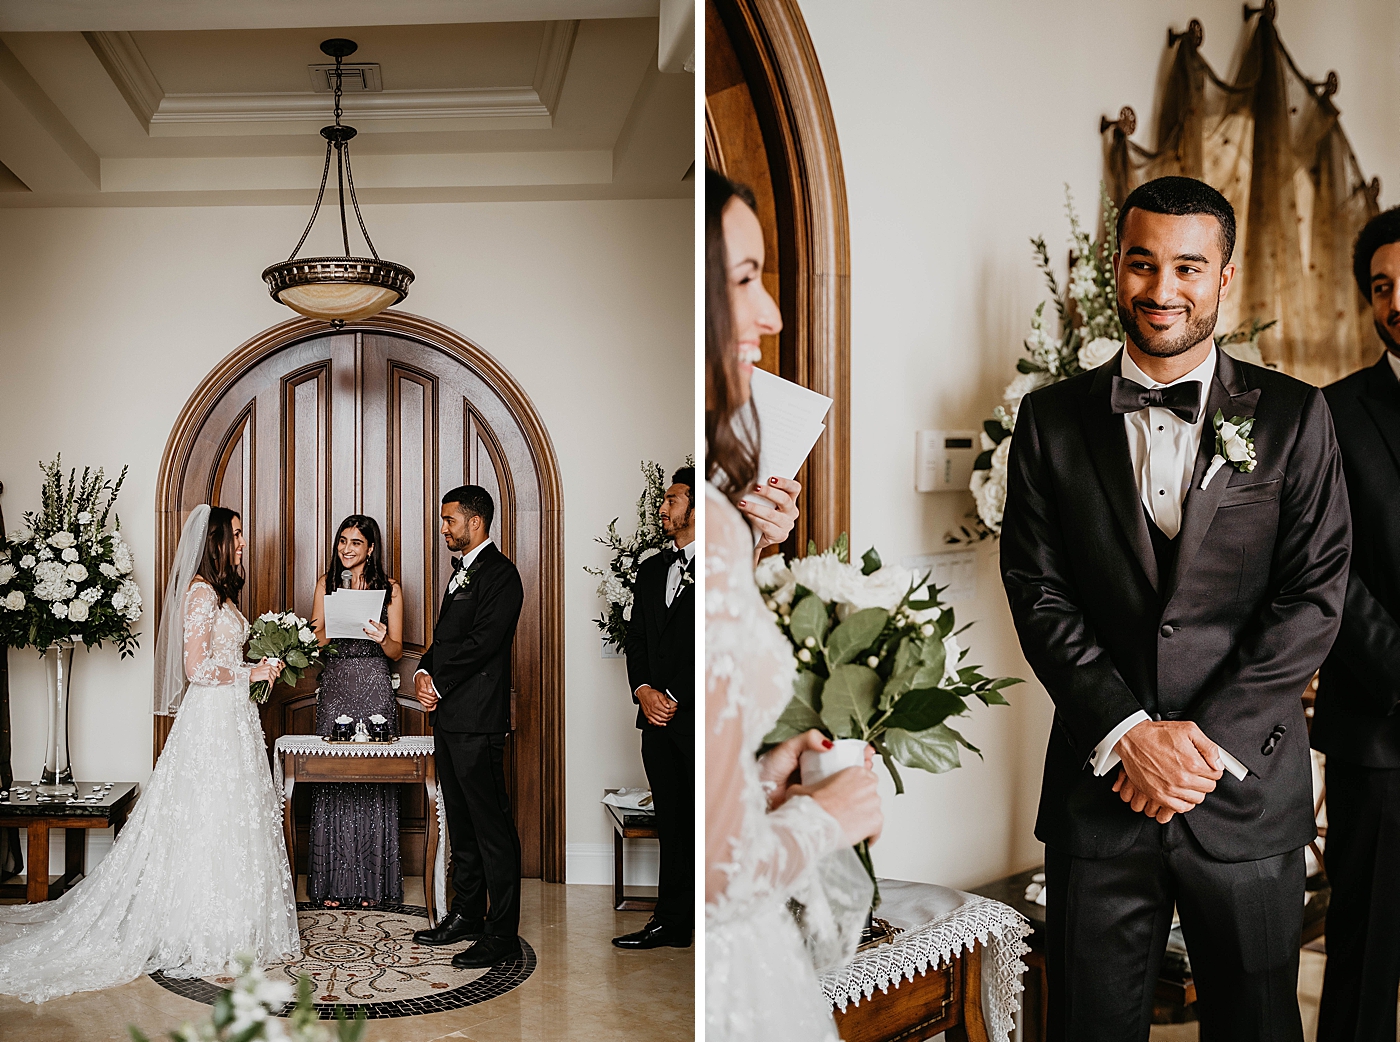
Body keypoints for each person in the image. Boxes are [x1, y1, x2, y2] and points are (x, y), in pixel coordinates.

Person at [1000, 175, 1351, 1041]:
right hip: (1100, 793)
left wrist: (1198, 747)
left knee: (1259, 1028)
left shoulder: (1296, 417)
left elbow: (1314, 596)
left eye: (1188, 267)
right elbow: (1038, 591)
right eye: (1142, 263)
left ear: (1225, 277)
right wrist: (1128, 734)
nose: (1163, 291)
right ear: (1113, 269)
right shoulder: (1048, 422)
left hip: (1244, 790)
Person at [704, 167, 884, 1042]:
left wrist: (763, 774)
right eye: (745, 278)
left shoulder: (721, 516)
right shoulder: (704, 517)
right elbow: (714, 875)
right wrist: (827, 816)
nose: (773, 314)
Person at [0, 505, 298, 1002]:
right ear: (217, 540)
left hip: (234, 721)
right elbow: (196, 667)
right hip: (211, 723)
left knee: (231, 820)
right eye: (238, 534)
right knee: (206, 818)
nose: (244, 542)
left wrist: (256, 664)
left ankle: (235, 923)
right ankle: (197, 926)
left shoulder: (221, 594)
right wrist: (251, 673)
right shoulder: (200, 592)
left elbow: (220, 660)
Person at [1313, 205, 1400, 1042]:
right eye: (1382, 286)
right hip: (1379, 734)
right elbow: (1326, 571)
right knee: (1367, 954)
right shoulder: (1330, 415)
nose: (1398, 299)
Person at [409, 485, 524, 968]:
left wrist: (440, 678)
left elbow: (482, 643)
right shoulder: (458, 576)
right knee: (462, 823)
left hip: (479, 720)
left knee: (491, 826)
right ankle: (468, 913)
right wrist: (421, 673)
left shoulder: (502, 576)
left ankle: (501, 934)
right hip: (450, 719)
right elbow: (443, 640)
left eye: (448, 520)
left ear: (475, 522)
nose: (443, 528)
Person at [613, 466, 697, 950]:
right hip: (655, 720)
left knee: (708, 822)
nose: (662, 509)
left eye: (672, 500)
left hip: (699, 720)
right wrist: (643, 689)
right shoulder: (649, 570)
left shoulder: (728, 567)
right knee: (672, 819)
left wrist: (676, 695)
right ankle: (671, 922)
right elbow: (638, 639)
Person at [308, 514, 404, 909]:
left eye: (355, 543)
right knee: (333, 780)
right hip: (336, 684)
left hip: (375, 683)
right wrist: (329, 627)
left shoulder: (391, 589)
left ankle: (373, 886)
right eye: (342, 541)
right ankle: (333, 885)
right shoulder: (325, 584)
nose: (347, 549)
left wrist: (383, 637)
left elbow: (398, 649)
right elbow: (314, 640)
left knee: (374, 780)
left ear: (371, 549)